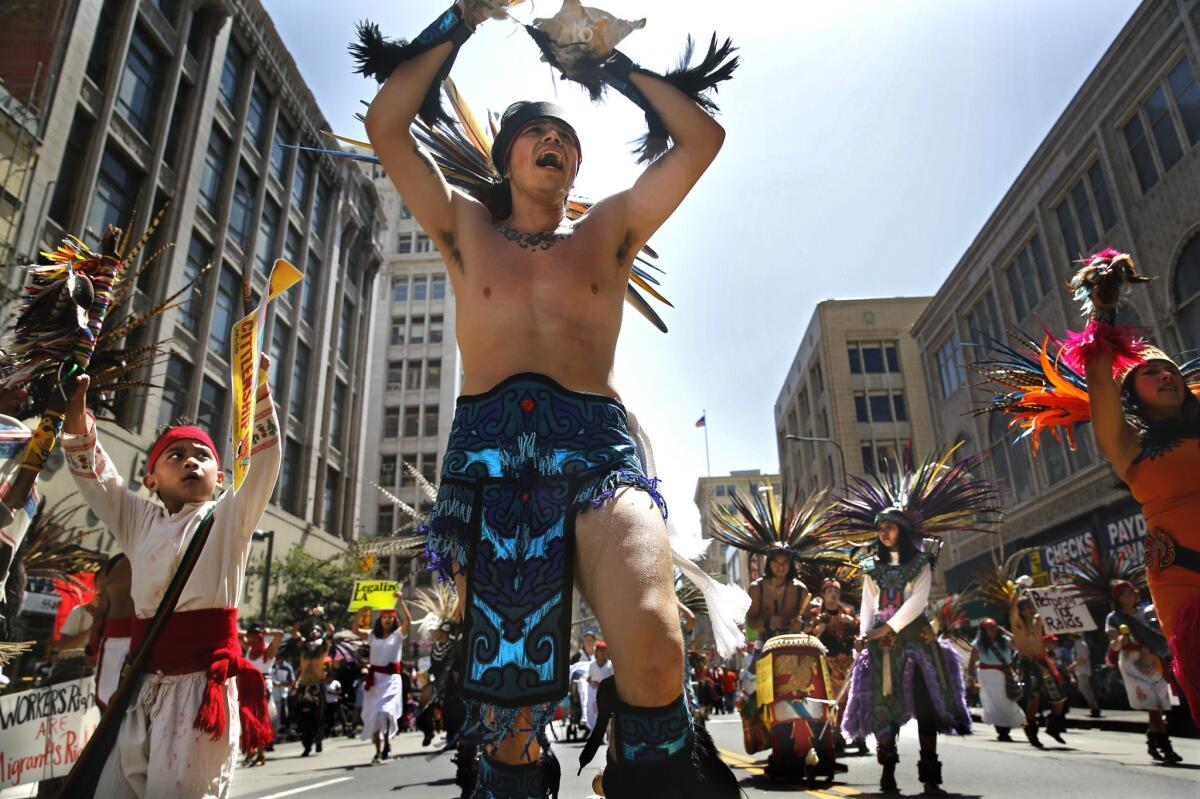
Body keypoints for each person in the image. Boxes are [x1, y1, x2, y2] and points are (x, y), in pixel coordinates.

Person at [359, 4, 737, 795]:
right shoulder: (464, 227)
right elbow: (388, 123)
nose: (556, 140)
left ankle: (649, 777)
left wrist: (606, 64)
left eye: (568, 136)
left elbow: (702, 140)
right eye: (538, 131)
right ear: (505, 160)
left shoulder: (608, 230)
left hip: (598, 452)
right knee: (514, 726)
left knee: (657, 649)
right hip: (492, 473)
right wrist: (459, 18)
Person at [62, 354, 279, 798]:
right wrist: (77, 418)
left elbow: (262, 466)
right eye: (175, 455)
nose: (190, 462)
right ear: (151, 480)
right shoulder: (137, 520)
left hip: (200, 696)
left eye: (202, 456)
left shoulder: (229, 517)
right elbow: (97, 478)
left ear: (221, 478)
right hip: (140, 688)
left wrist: (256, 395)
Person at [1061, 249, 1200, 724]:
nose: (1165, 376)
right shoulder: (1130, 448)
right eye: (1150, 373)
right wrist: (1103, 307)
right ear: (1131, 394)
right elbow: (1098, 377)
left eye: (1171, 372)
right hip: (1186, 580)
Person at [835, 449, 989, 795]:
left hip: (917, 640)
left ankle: (930, 773)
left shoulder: (921, 563)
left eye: (890, 527)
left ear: (902, 531)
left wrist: (887, 628)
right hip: (881, 645)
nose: (885, 532)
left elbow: (918, 601)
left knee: (926, 703)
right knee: (883, 706)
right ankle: (887, 768)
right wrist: (864, 634)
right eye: (880, 528)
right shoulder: (871, 569)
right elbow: (868, 603)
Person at [1106, 580, 1183, 762]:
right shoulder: (1114, 618)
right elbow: (1113, 644)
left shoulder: (1146, 612)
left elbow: (1162, 632)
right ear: (1117, 598)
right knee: (1152, 706)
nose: (1130, 596)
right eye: (1124, 594)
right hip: (1133, 663)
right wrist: (1121, 641)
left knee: (1158, 704)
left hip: (1154, 659)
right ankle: (1167, 748)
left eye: (1131, 592)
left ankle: (1151, 740)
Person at [355, 594, 411, 764]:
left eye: (390, 617)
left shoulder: (398, 635)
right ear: (380, 620)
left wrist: (401, 602)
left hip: (391, 680)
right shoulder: (373, 635)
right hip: (374, 681)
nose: (387, 620)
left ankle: (387, 742)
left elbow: (408, 622)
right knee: (373, 713)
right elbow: (355, 630)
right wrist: (360, 612)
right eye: (384, 617)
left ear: (394, 620)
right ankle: (378, 750)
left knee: (385, 711)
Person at [1010, 592, 1068, 748]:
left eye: (1032, 606)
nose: (1031, 609)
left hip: (1043, 663)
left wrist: (1052, 591)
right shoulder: (1018, 625)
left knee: (1059, 699)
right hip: (1027, 664)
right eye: (1027, 607)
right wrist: (1017, 591)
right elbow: (1013, 609)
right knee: (1033, 698)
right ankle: (1031, 733)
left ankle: (1053, 728)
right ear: (1021, 610)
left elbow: (1049, 606)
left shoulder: (1037, 622)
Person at [966, 619, 1025, 743]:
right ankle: (1001, 729)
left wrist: (1006, 632)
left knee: (1006, 699)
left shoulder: (1005, 640)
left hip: (1005, 673)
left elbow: (1019, 644)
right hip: (987, 675)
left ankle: (1006, 727)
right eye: (988, 627)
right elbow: (972, 661)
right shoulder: (979, 643)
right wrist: (971, 677)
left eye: (993, 627)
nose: (991, 630)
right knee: (993, 700)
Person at [87, 553, 133, 709]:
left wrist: (92, 645)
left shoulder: (116, 564)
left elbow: (101, 610)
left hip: (136, 635)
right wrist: (92, 645)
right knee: (108, 697)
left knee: (117, 699)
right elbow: (101, 610)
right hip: (116, 636)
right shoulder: (114, 564)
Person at [240, 623, 284, 765]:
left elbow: (280, 634)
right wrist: (249, 633)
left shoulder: (268, 651)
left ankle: (260, 754)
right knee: (246, 719)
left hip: (262, 687)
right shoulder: (249, 649)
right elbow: (235, 634)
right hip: (247, 686)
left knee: (259, 720)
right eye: (250, 636)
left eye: (254, 636)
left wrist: (267, 632)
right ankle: (251, 750)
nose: (250, 639)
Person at [293, 621, 333, 757]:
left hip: (317, 684)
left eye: (316, 632)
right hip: (304, 685)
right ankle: (306, 744)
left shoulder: (323, 648)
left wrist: (321, 618)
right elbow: (295, 632)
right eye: (312, 632)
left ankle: (318, 739)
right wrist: (304, 619)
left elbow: (331, 631)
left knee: (319, 716)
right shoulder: (303, 647)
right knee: (302, 716)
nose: (313, 634)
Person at [1068, 634, 1100, 718]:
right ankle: (1093, 707)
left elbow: (1083, 658)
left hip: (1083, 670)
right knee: (1086, 689)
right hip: (1081, 670)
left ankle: (1094, 708)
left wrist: (1073, 665)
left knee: (1084, 688)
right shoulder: (1078, 643)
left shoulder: (1080, 644)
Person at [586, 641, 615, 734]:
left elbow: (613, 679)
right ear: (596, 652)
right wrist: (593, 683)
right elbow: (588, 678)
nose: (602, 652)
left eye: (604, 650)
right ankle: (595, 732)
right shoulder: (592, 664)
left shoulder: (610, 664)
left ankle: (607, 733)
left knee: (607, 714)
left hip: (607, 693)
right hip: (594, 692)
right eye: (600, 650)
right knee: (595, 714)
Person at [269, 653, 296, 739]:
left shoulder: (288, 667)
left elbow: (292, 683)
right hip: (270, 695)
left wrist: (280, 684)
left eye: (279, 657)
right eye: (276, 657)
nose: (277, 659)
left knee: (277, 718)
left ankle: (274, 736)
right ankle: (271, 736)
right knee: (270, 717)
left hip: (281, 697)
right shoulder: (270, 666)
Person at [323, 663, 343, 739]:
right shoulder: (324, 684)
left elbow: (340, 692)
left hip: (334, 703)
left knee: (333, 717)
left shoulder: (336, 683)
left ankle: (333, 731)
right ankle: (327, 731)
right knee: (327, 718)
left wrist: (332, 692)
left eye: (330, 676)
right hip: (326, 703)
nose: (328, 678)